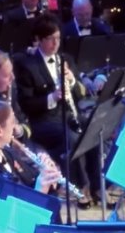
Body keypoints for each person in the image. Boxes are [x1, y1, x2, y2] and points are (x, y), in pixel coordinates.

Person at [12, 16, 98, 208]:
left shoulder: (66, 60)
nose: (55, 43)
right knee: (72, 139)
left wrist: (72, 81)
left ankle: (97, 186)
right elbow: (26, 104)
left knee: (94, 128)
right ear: (39, 40)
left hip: (67, 114)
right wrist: (52, 97)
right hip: (42, 121)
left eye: (58, 38)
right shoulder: (28, 65)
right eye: (51, 39)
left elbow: (80, 95)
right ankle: (80, 188)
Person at [0, 98, 62, 194]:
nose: (15, 127)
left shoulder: (7, 151)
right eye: (12, 122)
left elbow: (29, 182)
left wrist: (45, 174)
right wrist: (40, 190)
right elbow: (9, 205)